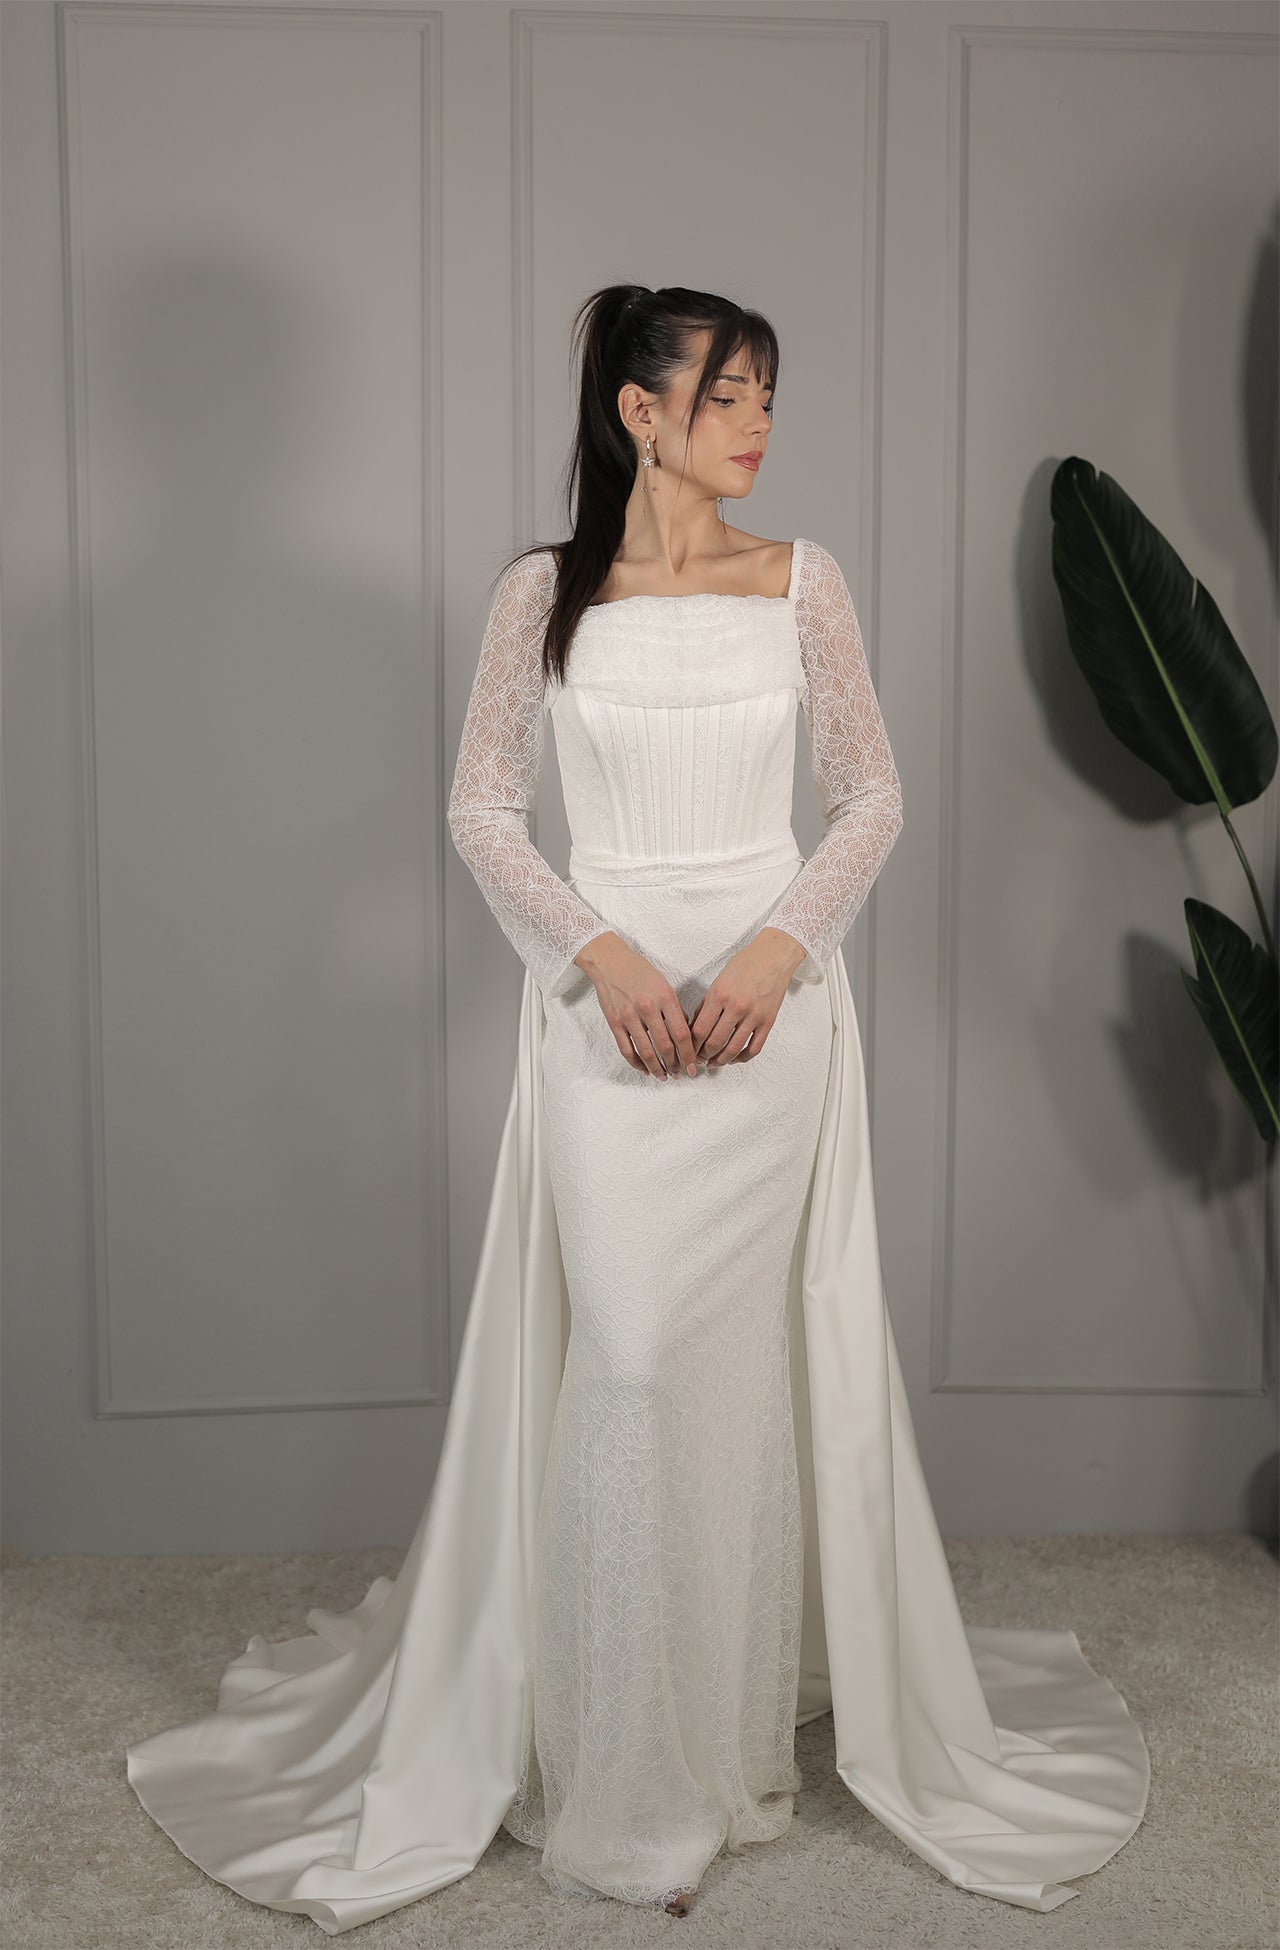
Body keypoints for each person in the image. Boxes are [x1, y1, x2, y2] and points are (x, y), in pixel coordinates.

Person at [124, 284, 1149, 1933]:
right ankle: (626, 1774)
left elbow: (872, 794)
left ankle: (710, 1751)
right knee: (635, 1360)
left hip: (766, 1022)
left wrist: (778, 949)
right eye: (729, 393)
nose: (759, 424)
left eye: (769, 396)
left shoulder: (804, 583)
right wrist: (597, 952)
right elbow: (482, 806)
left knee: (726, 1380)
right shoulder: (540, 597)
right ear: (640, 412)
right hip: (607, 1025)